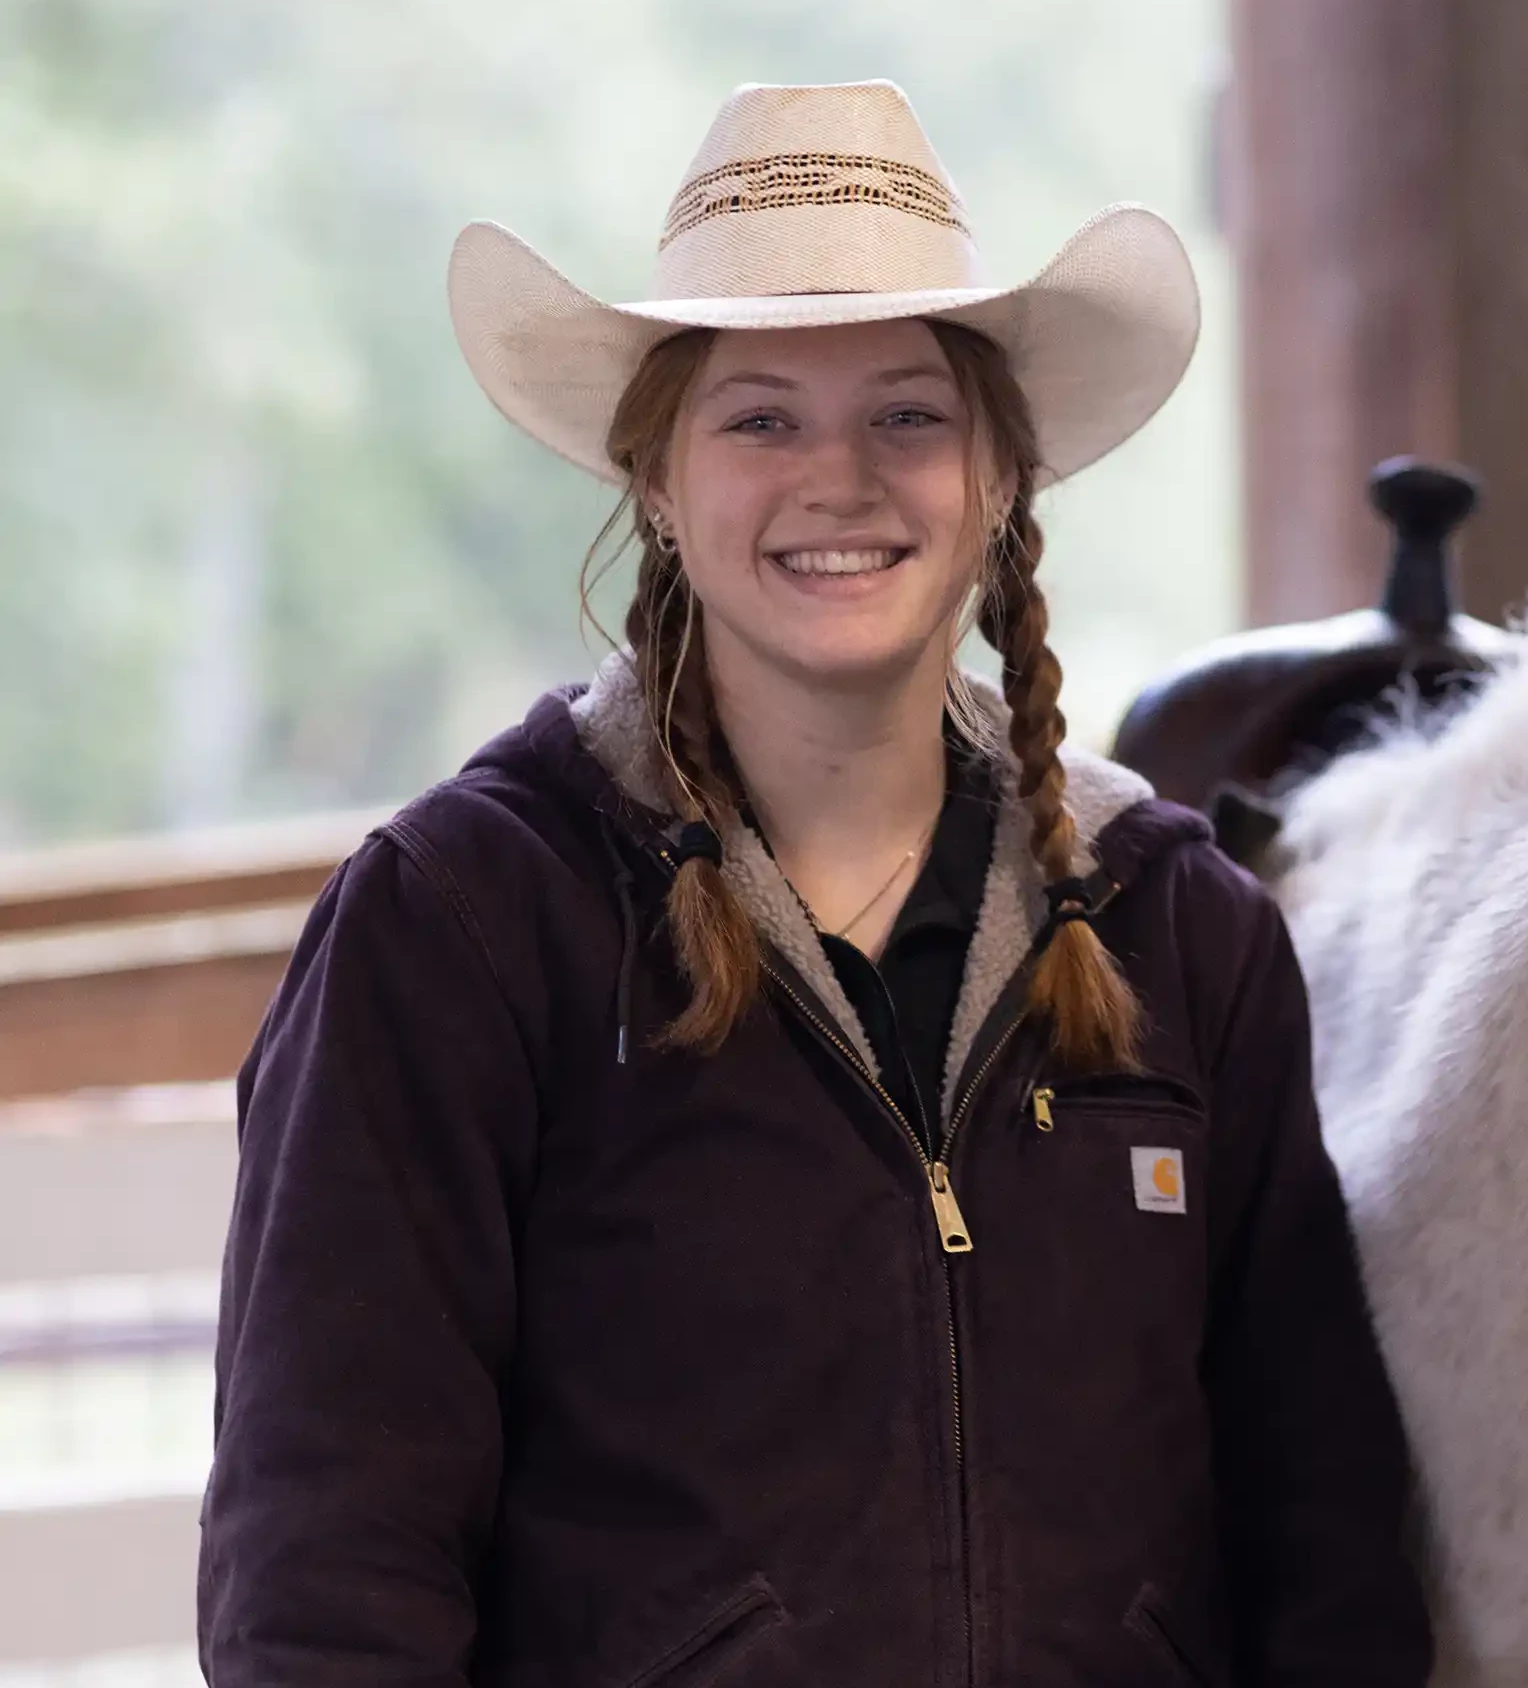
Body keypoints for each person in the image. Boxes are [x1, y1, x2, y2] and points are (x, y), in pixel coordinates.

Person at [197, 80, 1430, 1687]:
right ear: (657, 479)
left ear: (999, 477)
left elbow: (1325, 1551)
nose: (837, 479)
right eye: (760, 415)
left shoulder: (1180, 935)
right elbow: (326, 1574)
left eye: (909, 414)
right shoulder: (462, 928)